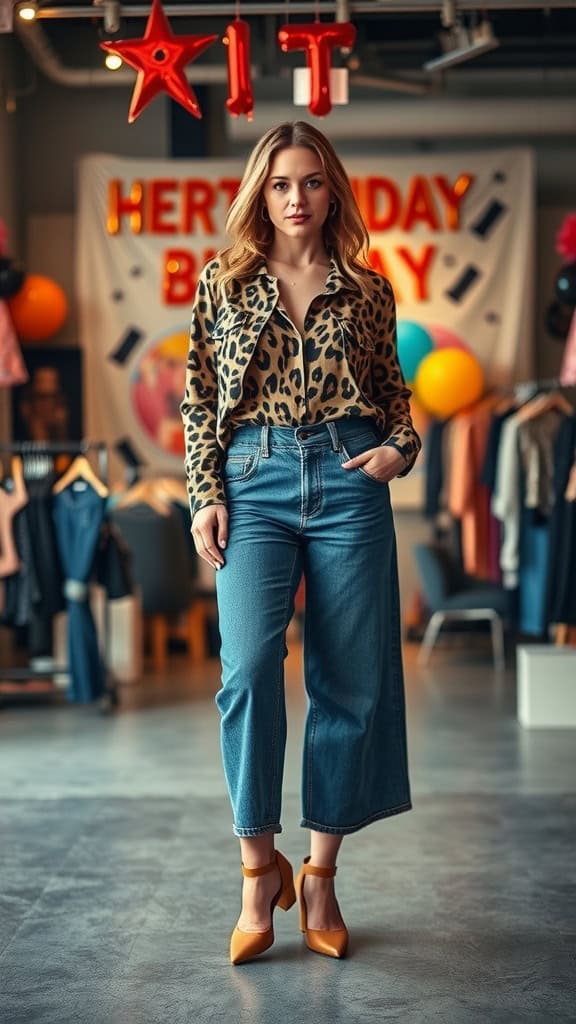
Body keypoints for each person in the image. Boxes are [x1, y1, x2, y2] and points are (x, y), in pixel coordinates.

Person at [180, 121, 421, 965]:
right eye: (281, 183)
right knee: (246, 669)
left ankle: (318, 875)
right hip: (255, 478)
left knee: (347, 679)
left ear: (332, 190)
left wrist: (401, 448)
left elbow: (396, 397)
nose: (296, 198)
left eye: (312, 182)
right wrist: (205, 494)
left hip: (351, 476)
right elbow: (198, 400)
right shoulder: (224, 280)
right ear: (261, 190)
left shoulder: (366, 288)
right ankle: (257, 872)